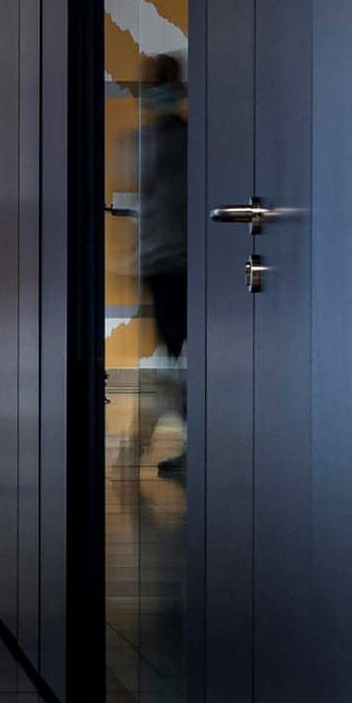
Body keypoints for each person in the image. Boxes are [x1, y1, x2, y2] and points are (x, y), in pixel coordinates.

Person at [134, 54, 188, 477]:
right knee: (176, 352)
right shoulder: (153, 140)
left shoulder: (176, 141)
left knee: (179, 353)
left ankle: (188, 440)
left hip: (176, 261)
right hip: (164, 261)